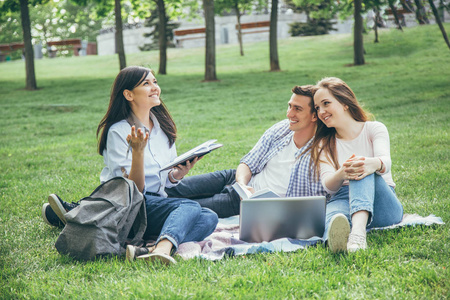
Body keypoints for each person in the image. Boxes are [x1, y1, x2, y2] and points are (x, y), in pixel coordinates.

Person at [44, 66, 218, 264]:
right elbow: (133, 192)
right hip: (129, 207)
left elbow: (165, 184)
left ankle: (149, 248)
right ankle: (162, 248)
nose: (154, 87)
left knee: (209, 217)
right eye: (146, 83)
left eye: (155, 82)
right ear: (128, 94)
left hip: (154, 204)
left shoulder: (164, 128)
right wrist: (138, 152)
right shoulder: (118, 132)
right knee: (189, 206)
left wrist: (176, 175)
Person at [166, 85, 326, 218]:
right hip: (235, 178)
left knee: (183, 207)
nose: (289, 113)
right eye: (290, 106)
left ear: (314, 116)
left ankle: (144, 213)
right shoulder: (282, 128)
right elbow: (249, 162)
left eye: (297, 109)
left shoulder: (322, 152)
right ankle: (141, 199)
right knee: (174, 189)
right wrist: (242, 184)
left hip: (247, 203)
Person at [311, 77, 403, 253]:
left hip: (382, 202)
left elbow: (386, 162)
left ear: (345, 103)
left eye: (326, 103)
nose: (321, 111)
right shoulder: (324, 143)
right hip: (342, 198)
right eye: (317, 108)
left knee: (360, 165)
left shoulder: (374, 128)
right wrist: (342, 172)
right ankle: (335, 240)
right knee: (333, 217)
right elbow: (328, 186)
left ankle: (358, 233)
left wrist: (369, 164)